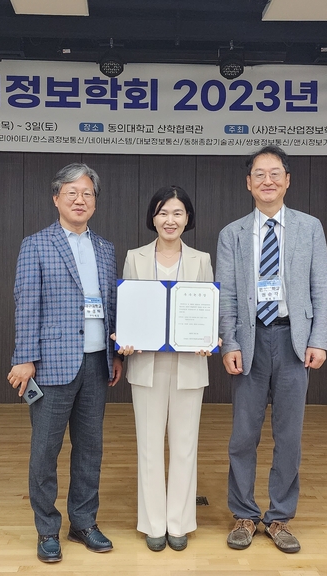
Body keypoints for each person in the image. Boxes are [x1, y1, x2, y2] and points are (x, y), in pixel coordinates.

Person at [216, 145, 327, 554]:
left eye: (275, 173)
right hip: (249, 341)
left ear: (287, 180)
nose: (267, 180)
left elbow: (321, 285)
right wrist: (230, 342)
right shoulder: (232, 234)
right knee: (243, 435)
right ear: (248, 183)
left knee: (289, 436)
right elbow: (227, 294)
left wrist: (318, 338)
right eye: (259, 174)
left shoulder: (309, 227)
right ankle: (244, 514)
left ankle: (280, 516)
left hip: (292, 341)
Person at [7, 162, 123, 563]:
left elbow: (110, 305)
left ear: (95, 202)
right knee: (45, 450)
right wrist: (25, 358)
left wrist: (114, 353)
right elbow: (26, 304)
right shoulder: (36, 244)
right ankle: (46, 529)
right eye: (71, 193)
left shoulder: (105, 249)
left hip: (96, 362)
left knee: (90, 449)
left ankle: (83, 522)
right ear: (56, 198)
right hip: (52, 364)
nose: (80, 200)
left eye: (87, 193)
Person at [114, 186, 214, 552]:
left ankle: (180, 523)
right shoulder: (135, 257)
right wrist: (124, 339)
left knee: (185, 446)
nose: (169, 220)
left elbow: (207, 308)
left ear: (187, 218)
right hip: (146, 363)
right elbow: (128, 308)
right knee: (149, 445)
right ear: (152, 218)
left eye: (177, 213)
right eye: (162, 213)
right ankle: (154, 523)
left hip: (189, 363)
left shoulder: (201, 259)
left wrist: (209, 337)